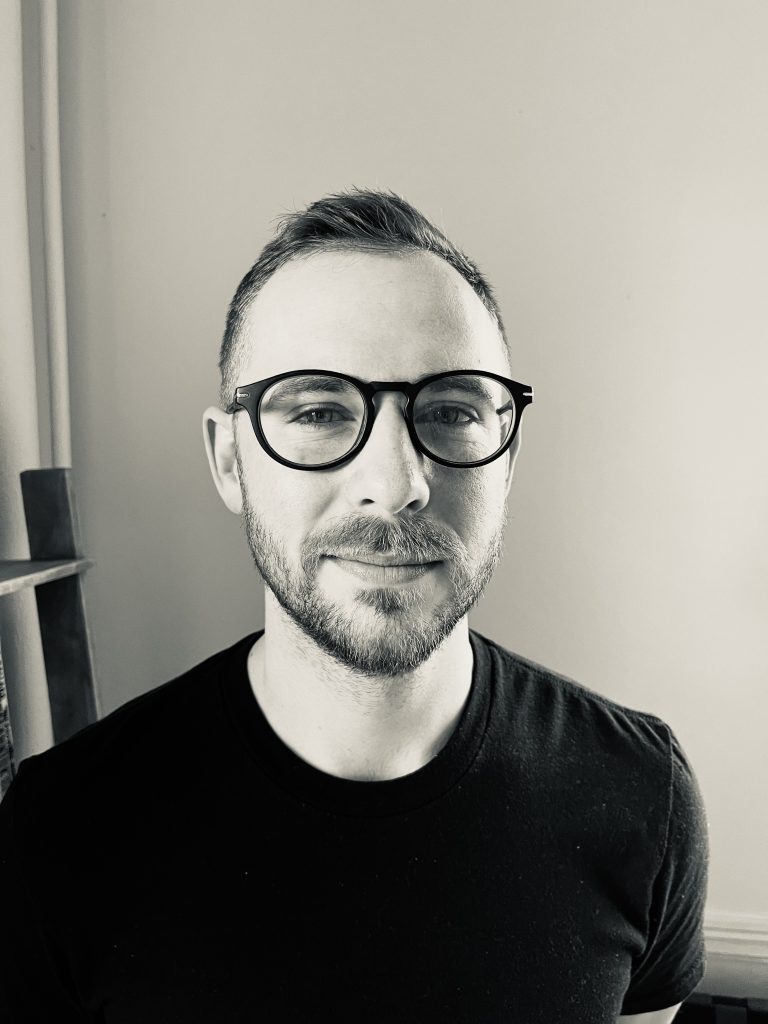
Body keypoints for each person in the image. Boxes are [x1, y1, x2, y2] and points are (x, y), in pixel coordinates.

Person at [0, 189, 708, 1023]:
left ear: (506, 459)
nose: (396, 485)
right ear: (229, 462)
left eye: (450, 410)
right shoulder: (61, 832)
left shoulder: (639, 795)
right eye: (319, 410)